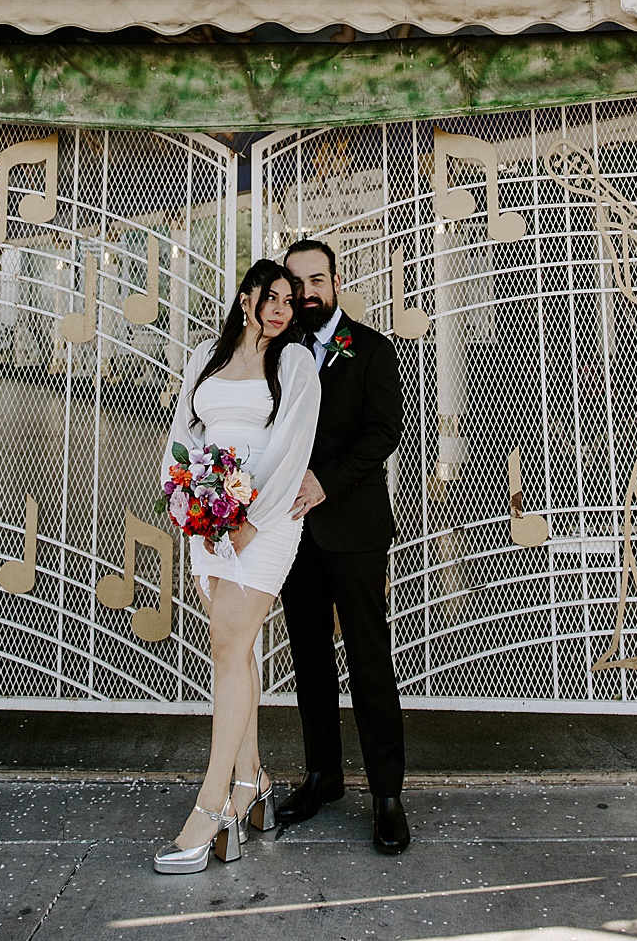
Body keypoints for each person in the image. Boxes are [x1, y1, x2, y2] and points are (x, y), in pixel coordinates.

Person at [152, 259, 320, 874]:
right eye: (270, 296)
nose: (279, 308)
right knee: (236, 650)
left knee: (226, 645)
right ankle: (253, 784)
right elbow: (185, 432)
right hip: (209, 520)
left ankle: (211, 806)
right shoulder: (205, 354)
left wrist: (251, 520)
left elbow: (290, 447)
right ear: (247, 298)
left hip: (264, 524)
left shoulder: (295, 364)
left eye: (290, 300)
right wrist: (185, 496)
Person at [278, 238, 410, 854]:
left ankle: (387, 794)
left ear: (335, 282)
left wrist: (324, 482)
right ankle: (322, 776)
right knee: (307, 656)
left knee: (368, 659)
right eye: (296, 281)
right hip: (291, 530)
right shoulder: (278, 350)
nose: (306, 292)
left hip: (352, 529)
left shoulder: (373, 350)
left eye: (316, 280)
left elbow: (385, 431)